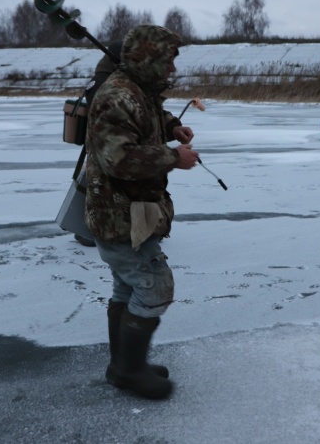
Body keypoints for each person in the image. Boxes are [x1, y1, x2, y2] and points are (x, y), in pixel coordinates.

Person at [84, 25, 199, 399]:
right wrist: (172, 158)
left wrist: (173, 127)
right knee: (154, 287)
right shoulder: (117, 96)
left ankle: (123, 365)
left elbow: (148, 117)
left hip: (129, 215)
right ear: (148, 59)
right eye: (167, 62)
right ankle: (129, 370)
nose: (172, 70)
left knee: (127, 286)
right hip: (119, 217)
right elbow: (118, 158)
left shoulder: (137, 92)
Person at [71, 41, 123, 248]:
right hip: (104, 145)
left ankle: (90, 232)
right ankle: (91, 233)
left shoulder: (100, 79)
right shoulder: (106, 82)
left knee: (97, 189)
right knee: (101, 190)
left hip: (98, 144)